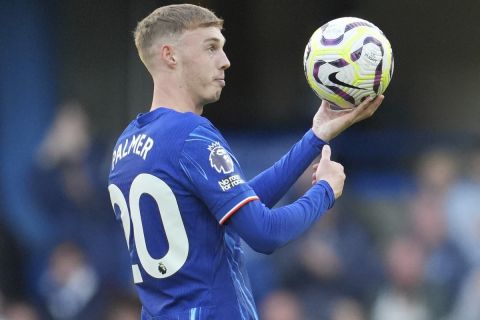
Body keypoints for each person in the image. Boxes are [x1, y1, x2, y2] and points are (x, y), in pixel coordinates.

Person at [107, 4, 384, 319]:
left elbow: (237, 205)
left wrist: (315, 137)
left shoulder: (127, 144)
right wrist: (324, 192)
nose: (225, 61)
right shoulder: (191, 135)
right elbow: (263, 232)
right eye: (211, 47)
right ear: (170, 55)